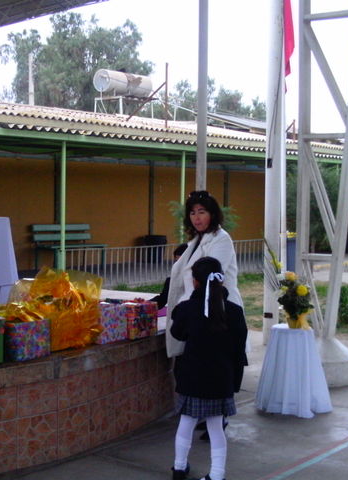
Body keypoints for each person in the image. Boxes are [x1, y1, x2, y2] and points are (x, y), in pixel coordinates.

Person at [170, 256, 248, 480]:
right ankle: (216, 475)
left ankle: (179, 468)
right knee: (215, 426)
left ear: (195, 282)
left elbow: (177, 333)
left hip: (192, 376)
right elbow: (238, 348)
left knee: (186, 421)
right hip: (221, 378)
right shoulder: (234, 311)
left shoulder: (187, 309)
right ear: (221, 281)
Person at [165, 190, 243, 358]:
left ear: (212, 214)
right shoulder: (196, 241)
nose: (196, 218)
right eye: (192, 213)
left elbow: (209, 273)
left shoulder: (221, 239)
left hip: (216, 311)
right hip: (196, 312)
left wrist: (187, 309)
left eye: (202, 212)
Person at [151, 244, 188, 310]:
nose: (178, 266)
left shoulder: (198, 281)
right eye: (176, 262)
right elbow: (162, 299)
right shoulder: (171, 281)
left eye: (182, 262)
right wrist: (145, 304)